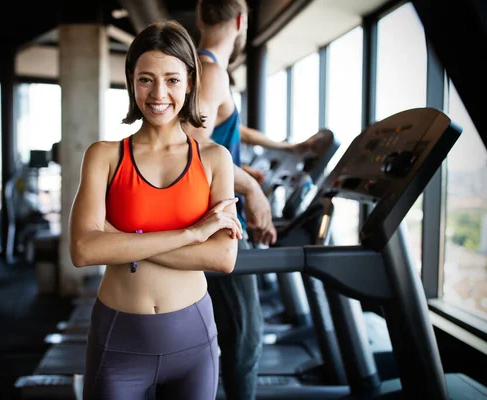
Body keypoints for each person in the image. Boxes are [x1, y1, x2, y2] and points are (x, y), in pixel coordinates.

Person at [69, 20, 243, 400]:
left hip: (194, 341)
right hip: (119, 341)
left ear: (191, 82)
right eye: (146, 79)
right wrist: (190, 234)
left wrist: (122, 241)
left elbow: (224, 256)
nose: (159, 93)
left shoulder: (215, 159)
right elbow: (83, 250)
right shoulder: (104, 156)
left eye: (172, 80)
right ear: (131, 81)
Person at [181, 1, 332, 399]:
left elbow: (227, 122)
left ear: (200, 18)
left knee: (229, 330)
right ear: (241, 21)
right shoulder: (211, 71)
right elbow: (193, 148)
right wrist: (248, 187)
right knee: (246, 336)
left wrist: (282, 145)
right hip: (218, 222)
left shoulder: (204, 67)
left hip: (207, 219)